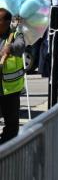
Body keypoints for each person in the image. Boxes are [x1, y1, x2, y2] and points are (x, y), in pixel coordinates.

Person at [0, 8, 25, 144]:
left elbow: (21, 46)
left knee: (11, 124)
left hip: (11, 89)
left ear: (8, 22)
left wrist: (11, 48)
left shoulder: (15, 34)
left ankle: (6, 150)